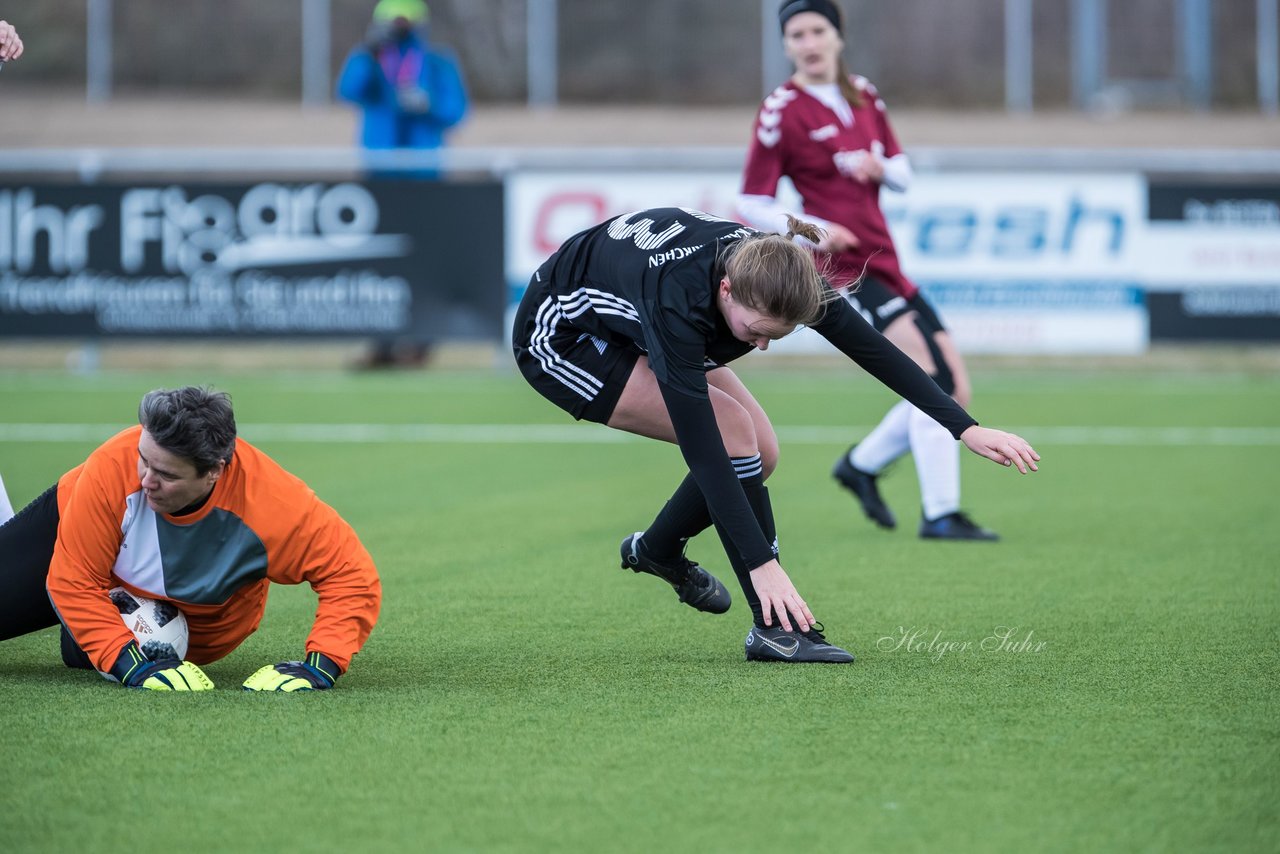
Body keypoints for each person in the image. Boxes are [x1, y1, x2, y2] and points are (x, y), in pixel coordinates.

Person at [511, 207, 1039, 663]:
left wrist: (964, 428)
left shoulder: (784, 277)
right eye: (756, 333)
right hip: (564, 337)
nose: (761, 348)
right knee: (733, 434)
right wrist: (763, 567)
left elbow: (874, 351)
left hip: (632, 315)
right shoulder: (678, 302)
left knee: (761, 452)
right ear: (725, 290)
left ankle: (657, 549)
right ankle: (776, 630)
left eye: (776, 337)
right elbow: (705, 450)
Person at [738, 0, 999, 541]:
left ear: (837, 36)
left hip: (887, 258)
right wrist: (813, 228)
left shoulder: (864, 93)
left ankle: (860, 465)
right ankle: (940, 512)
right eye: (796, 35)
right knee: (931, 376)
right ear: (786, 45)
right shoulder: (780, 110)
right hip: (844, 270)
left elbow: (902, 173)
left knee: (956, 386)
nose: (808, 43)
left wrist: (881, 167)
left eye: (817, 31)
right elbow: (751, 200)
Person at [0, 387, 382, 691]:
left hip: (199, 626)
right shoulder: (112, 467)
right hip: (77, 539)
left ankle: (83, 637)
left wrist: (322, 666)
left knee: (83, 645)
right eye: (143, 459)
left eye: (165, 473)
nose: (145, 479)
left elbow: (351, 574)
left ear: (214, 472)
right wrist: (128, 666)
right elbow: (73, 581)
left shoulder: (272, 501)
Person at [337, 0, 469, 369]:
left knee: (426, 261)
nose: (398, 29)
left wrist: (426, 105)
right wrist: (367, 51)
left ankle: (422, 343)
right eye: (392, 24)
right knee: (379, 261)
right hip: (380, 175)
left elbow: (457, 111)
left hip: (425, 176)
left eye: (404, 23)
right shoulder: (372, 59)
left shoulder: (437, 61)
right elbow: (347, 90)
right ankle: (383, 344)